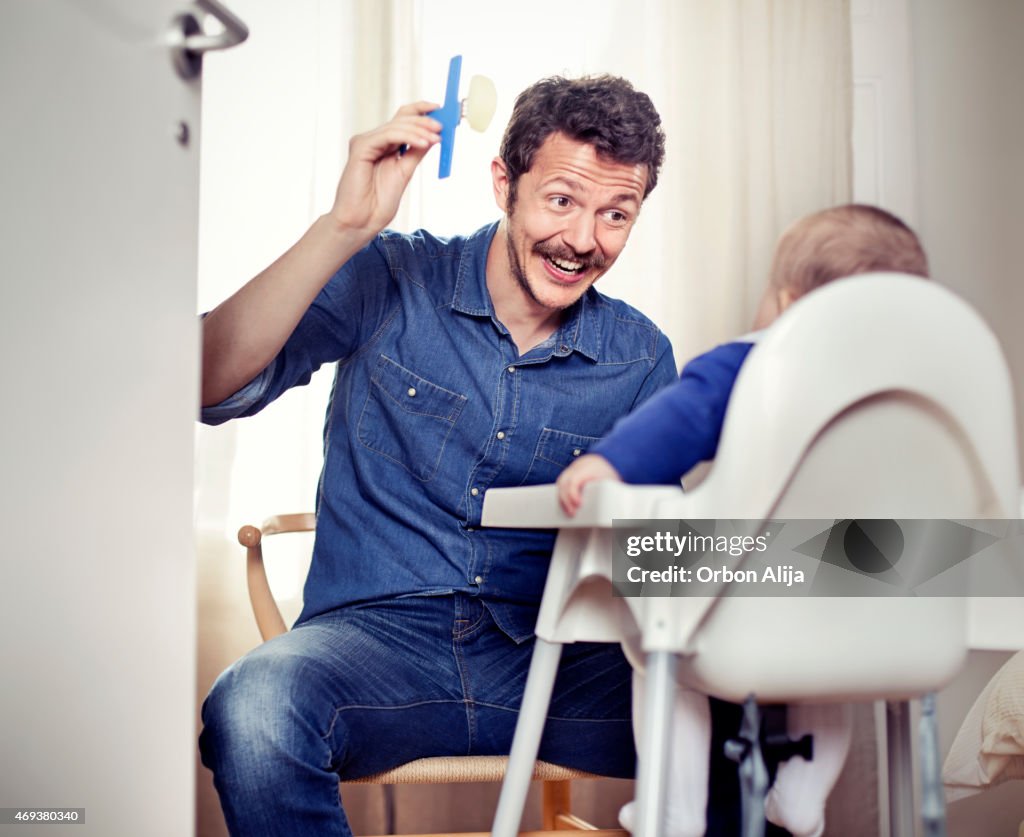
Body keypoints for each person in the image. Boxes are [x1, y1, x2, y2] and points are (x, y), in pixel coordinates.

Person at [198, 75, 677, 836]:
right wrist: (341, 229)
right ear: (504, 184)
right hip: (375, 654)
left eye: (615, 214)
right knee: (254, 707)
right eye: (560, 200)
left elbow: (652, 558)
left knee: (760, 697)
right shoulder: (388, 275)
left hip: (552, 660)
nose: (584, 240)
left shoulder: (640, 355)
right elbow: (205, 381)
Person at [556, 203, 931, 837]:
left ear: (785, 302)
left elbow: (681, 418)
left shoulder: (757, 360)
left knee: (656, 633)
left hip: (749, 593)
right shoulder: (912, 392)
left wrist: (609, 463)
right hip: (871, 604)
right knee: (838, 673)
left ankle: (671, 813)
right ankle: (802, 797)